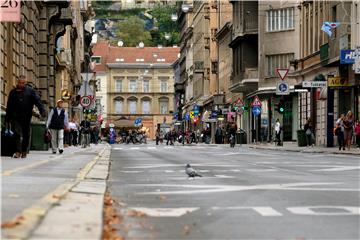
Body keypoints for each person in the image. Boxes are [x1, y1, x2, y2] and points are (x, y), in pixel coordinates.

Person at [5, 75, 46, 158]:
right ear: (17, 82)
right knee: (17, 133)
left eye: (23, 83)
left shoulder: (30, 91)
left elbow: (37, 101)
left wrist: (42, 110)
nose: (21, 84)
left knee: (26, 134)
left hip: (26, 117)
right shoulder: (13, 92)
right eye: (20, 83)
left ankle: (24, 150)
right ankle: (17, 151)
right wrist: (7, 118)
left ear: (25, 83)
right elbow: (9, 106)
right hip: (15, 117)